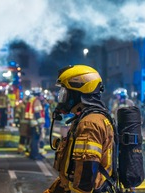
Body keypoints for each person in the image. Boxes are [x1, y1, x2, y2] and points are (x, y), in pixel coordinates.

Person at [44, 65, 115, 193]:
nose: (61, 98)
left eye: (65, 93)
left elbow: (85, 180)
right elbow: (72, 171)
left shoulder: (89, 123)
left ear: (77, 93)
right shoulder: (85, 119)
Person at [25, 87, 45, 160]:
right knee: (35, 140)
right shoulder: (36, 101)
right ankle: (35, 155)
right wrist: (40, 123)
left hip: (32, 123)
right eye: (41, 95)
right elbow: (37, 113)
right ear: (38, 95)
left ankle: (33, 154)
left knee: (34, 139)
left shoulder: (31, 100)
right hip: (36, 124)